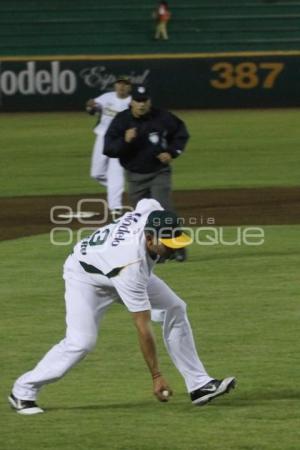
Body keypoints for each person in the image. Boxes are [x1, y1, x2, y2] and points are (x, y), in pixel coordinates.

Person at [8, 199, 236, 415]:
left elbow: (147, 202)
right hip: (85, 278)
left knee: (175, 307)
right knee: (81, 342)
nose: (174, 249)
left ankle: (199, 385)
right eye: (167, 245)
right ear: (149, 239)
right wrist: (156, 375)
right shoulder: (131, 266)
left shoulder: (150, 213)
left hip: (110, 266)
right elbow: (142, 327)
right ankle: (23, 391)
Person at [103, 84, 189, 262]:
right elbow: (109, 149)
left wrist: (172, 152)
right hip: (135, 176)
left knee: (163, 210)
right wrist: (124, 141)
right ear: (131, 102)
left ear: (149, 102)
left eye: (144, 101)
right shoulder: (121, 120)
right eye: (137, 101)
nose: (141, 105)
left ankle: (178, 248)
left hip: (159, 172)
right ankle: (156, 252)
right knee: (142, 217)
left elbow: (181, 132)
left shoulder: (162, 117)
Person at [86, 76, 132, 220]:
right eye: (119, 84)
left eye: (125, 84)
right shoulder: (106, 97)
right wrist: (90, 106)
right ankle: (114, 188)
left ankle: (115, 207)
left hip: (120, 140)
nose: (121, 87)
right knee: (96, 173)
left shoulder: (132, 102)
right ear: (115, 85)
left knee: (116, 172)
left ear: (129, 87)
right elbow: (92, 109)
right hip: (102, 136)